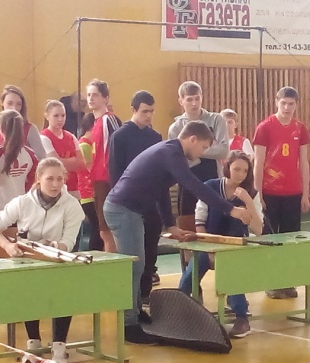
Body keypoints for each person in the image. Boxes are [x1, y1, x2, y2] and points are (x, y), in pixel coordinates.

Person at [103, 121, 251, 344]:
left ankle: (135, 312)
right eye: (203, 147)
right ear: (192, 139)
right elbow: (194, 185)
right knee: (134, 266)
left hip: (131, 210)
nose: (202, 153)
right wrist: (231, 209)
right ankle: (128, 324)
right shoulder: (171, 153)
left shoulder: (171, 152)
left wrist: (170, 224)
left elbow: (161, 190)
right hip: (123, 209)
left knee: (138, 265)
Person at [0, 157, 85, 363]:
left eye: (60, 179)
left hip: (58, 263)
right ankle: (33, 345)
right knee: (28, 294)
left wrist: (50, 248)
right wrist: (8, 246)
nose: (55, 184)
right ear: (38, 179)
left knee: (63, 295)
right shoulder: (21, 202)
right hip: (27, 264)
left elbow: (68, 242)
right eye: (50, 179)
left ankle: (59, 347)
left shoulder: (72, 206)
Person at [178, 151, 263, 337]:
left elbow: (258, 229)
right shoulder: (211, 187)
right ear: (227, 168)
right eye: (236, 169)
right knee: (193, 269)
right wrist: (209, 249)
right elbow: (200, 221)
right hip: (209, 243)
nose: (240, 174)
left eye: (245, 171)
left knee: (230, 268)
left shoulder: (251, 193)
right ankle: (175, 307)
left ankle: (242, 318)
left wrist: (248, 201)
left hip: (236, 247)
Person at [253, 86, 310, 299]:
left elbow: (303, 162)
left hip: (293, 192)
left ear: (296, 105)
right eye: (283, 103)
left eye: (291, 104)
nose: (287, 107)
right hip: (270, 192)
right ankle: (271, 281)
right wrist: (258, 194)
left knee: (291, 238)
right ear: (276, 102)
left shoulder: (300, 129)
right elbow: (258, 163)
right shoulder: (265, 127)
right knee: (271, 238)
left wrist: (305, 193)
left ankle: (287, 281)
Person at [167, 81, 229, 269]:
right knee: (187, 233)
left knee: (216, 230)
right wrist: (208, 149)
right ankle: (189, 277)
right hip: (187, 186)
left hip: (214, 182)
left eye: (197, 98)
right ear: (181, 101)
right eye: (189, 99)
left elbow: (223, 151)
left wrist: (195, 150)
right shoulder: (176, 128)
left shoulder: (216, 120)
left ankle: (221, 275)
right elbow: (178, 160)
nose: (194, 103)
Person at [109, 91, 163, 301]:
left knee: (150, 254)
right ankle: (130, 299)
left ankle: (145, 295)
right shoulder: (120, 136)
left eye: (151, 111)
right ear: (133, 109)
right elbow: (115, 173)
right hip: (128, 205)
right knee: (133, 256)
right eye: (144, 111)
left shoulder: (155, 137)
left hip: (149, 204)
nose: (148, 116)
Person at [87, 79, 123, 253]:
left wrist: (115, 181)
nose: (91, 98)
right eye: (88, 95)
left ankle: (116, 265)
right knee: (104, 232)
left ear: (106, 98)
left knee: (109, 232)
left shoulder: (109, 119)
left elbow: (120, 146)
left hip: (108, 181)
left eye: (95, 95)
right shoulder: (95, 123)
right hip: (97, 181)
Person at [40, 100, 86, 200]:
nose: (60, 119)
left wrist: (64, 161)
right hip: (54, 189)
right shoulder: (44, 137)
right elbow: (56, 164)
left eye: (63, 115)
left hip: (73, 188)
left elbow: (81, 163)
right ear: (47, 116)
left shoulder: (71, 136)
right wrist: (73, 160)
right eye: (56, 116)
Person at [0, 85, 46, 161]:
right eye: (10, 103)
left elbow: (41, 158)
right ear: (2, 103)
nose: (14, 108)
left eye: (18, 104)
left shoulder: (30, 129)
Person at [77, 113, 104, 251]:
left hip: (89, 192)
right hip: (88, 193)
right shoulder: (85, 146)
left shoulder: (88, 144)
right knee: (97, 226)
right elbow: (89, 169)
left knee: (98, 226)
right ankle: (95, 252)